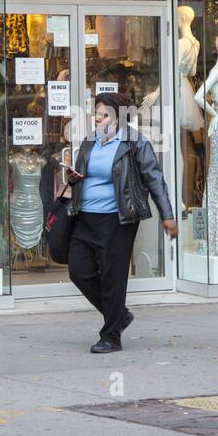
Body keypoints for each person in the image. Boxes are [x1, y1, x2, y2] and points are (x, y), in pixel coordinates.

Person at [64, 92, 176, 354]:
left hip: (118, 219)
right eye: (96, 114)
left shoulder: (134, 142)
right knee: (78, 270)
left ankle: (111, 335)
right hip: (85, 217)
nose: (98, 119)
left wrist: (167, 215)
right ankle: (119, 315)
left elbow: (154, 178)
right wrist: (72, 178)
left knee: (113, 277)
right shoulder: (90, 141)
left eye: (104, 115)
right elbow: (82, 176)